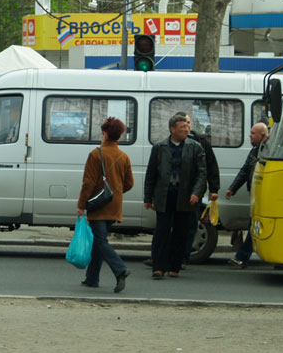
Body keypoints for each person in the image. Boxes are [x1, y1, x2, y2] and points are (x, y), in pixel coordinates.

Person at [144, 113, 206, 279]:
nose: (186, 130)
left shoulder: (195, 147)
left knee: (181, 232)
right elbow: (151, 174)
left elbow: (201, 173)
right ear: (172, 129)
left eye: (187, 127)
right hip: (164, 195)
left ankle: (175, 267)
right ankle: (158, 267)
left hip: (185, 197)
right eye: (182, 127)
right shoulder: (159, 148)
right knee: (162, 231)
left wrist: (196, 193)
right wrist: (147, 197)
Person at [77, 117, 134, 293]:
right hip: (114, 205)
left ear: (105, 134)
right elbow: (129, 183)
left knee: (100, 241)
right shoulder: (124, 156)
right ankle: (92, 278)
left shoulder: (96, 154)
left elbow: (88, 183)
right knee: (98, 241)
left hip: (98, 205)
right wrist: (114, 193)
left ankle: (120, 270)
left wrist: (81, 205)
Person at [226, 122, 268, 269]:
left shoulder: (269, 150)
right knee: (256, 227)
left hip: (265, 196)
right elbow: (245, 171)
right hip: (256, 194)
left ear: (263, 135)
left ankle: (242, 257)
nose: (250, 135)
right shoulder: (255, 150)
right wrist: (233, 188)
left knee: (253, 227)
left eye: (252, 133)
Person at [181, 113, 220, 268]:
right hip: (175, 192)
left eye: (188, 123)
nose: (187, 127)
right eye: (184, 124)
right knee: (172, 227)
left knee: (191, 226)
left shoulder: (201, 142)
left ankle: (183, 259)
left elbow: (211, 166)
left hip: (194, 193)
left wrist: (214, 188)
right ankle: (163, 258)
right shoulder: (171, 143)